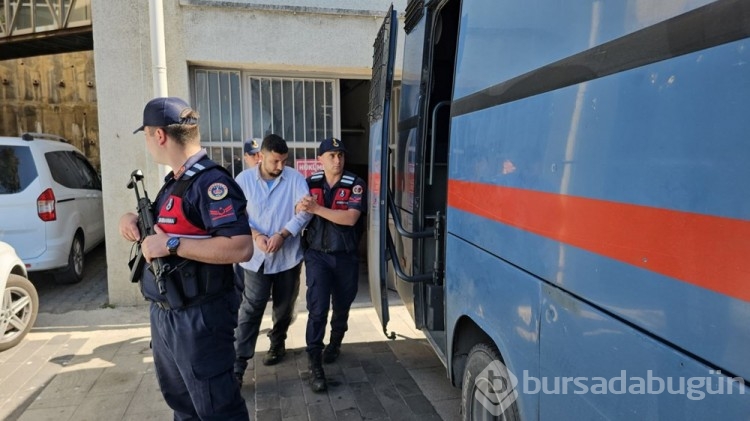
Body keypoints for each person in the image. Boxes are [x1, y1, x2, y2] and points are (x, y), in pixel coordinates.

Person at [118, 96, 252, 420]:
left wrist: (172, 244)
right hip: (167, 313)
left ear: (159, 136)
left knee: (217, 408)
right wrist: (132, 219)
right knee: (183, 404)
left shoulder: (211, 183)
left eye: (147, 135)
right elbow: (168, 225)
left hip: (199, 316)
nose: (149, 143)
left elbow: (240, 246)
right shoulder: (176, 180)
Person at [233, 134, 311, 384]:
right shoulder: (243, 180)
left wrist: (283, 234)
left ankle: (278, 343)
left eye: (284, 161)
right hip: (254, 258)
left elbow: (305, 212)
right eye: (275, 161)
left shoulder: (295, 179)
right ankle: (238, 363)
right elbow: (236, 215)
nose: (280, 166)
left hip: (287, 257)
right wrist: (256, 235)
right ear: (261, 157)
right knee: (251, 308)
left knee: (284, 307)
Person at [296, 137, 366, 393]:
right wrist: (302, 207)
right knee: (317, 309)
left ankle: (335, 342)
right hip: (317, 256)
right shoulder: (309, 183)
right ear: (320, 159)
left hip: (345, 256)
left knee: (343, 305)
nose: (337, 160)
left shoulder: (355, 184)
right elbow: (298, 211)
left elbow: (350, 218)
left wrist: (316, 208)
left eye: (341, 155)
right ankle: (314, 360)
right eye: (332, 155)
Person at [233, 138, 263, 290]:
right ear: (245, 157)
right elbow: (237, 214)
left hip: (269, 248)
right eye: (253, 155)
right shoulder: (241, 180)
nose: (258, 159)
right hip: (246, 244)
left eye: (260, 154)